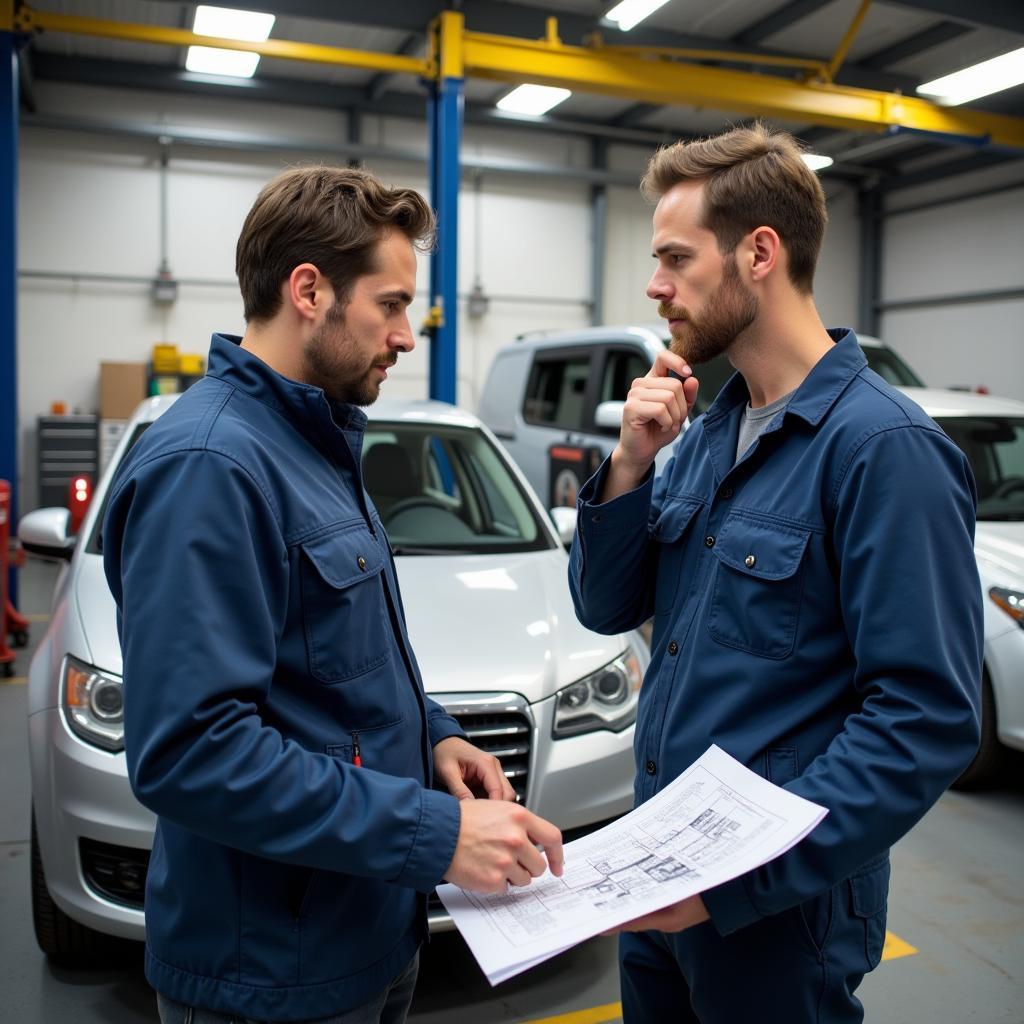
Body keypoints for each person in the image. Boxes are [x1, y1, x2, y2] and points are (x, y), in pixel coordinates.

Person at [102, 166, 563, 1024]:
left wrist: (435, 735)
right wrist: (437, 836)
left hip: (364, 937)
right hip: (269, 974)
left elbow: (335, 664)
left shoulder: (313, 442)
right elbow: (191, 753)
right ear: (308, 290)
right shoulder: (211, 467)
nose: (406, 336)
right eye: (390, 305)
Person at [568, 124, 982, 1023]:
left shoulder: (883, 450)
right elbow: (607, 606)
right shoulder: (711, 430)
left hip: (773, 918)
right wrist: (632, 465)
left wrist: (734, 880)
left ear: (759, 253)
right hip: (662, 885)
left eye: (676, 257)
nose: (655, 285)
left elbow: (927, 719)